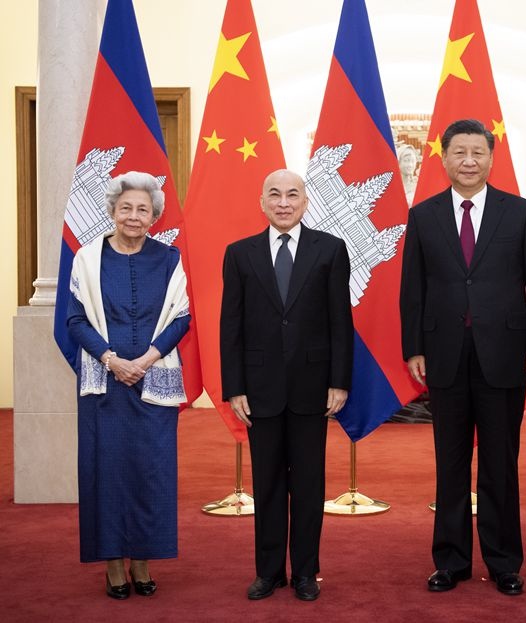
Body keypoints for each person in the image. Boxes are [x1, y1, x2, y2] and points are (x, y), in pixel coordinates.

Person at [400, 119, 526, 595]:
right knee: (449, 463)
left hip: (504, 355)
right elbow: (412, 289)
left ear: (491, 157)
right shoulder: (423, 216)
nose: (469, 161)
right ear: (443, 157)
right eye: (459, 152)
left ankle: (504, 561)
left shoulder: (521, 213)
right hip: (443, 355)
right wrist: (414, 348)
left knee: (500, 463)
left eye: (477, 152)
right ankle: (451, 561)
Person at [220, 169, 354, 602]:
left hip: (313, 386)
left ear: (305, 201)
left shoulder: (330, 250)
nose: (283, 202)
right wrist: (234, 385)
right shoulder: (239, 254)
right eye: (274, 194)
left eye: (291, 194)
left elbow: (340, 321)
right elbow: (231, 325)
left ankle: (305, 573)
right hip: (258, 389)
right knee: (269, 483)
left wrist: (339, 381)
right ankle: (269, 571)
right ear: (261, 202)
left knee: (310, 484)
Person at [66, 171, 191, 599]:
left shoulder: (170, 258)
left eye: (142, 209)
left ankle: (143, 559)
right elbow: (74, 320)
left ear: (154, 215)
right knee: (107, 472)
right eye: (126, 208)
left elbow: (182, 317)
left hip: (153, 381)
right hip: (106, 384)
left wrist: (147, 359)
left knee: (151, 472)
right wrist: (113, 360)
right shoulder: (87, 258)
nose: (134, 216)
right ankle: (114, 564)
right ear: (113, 212)